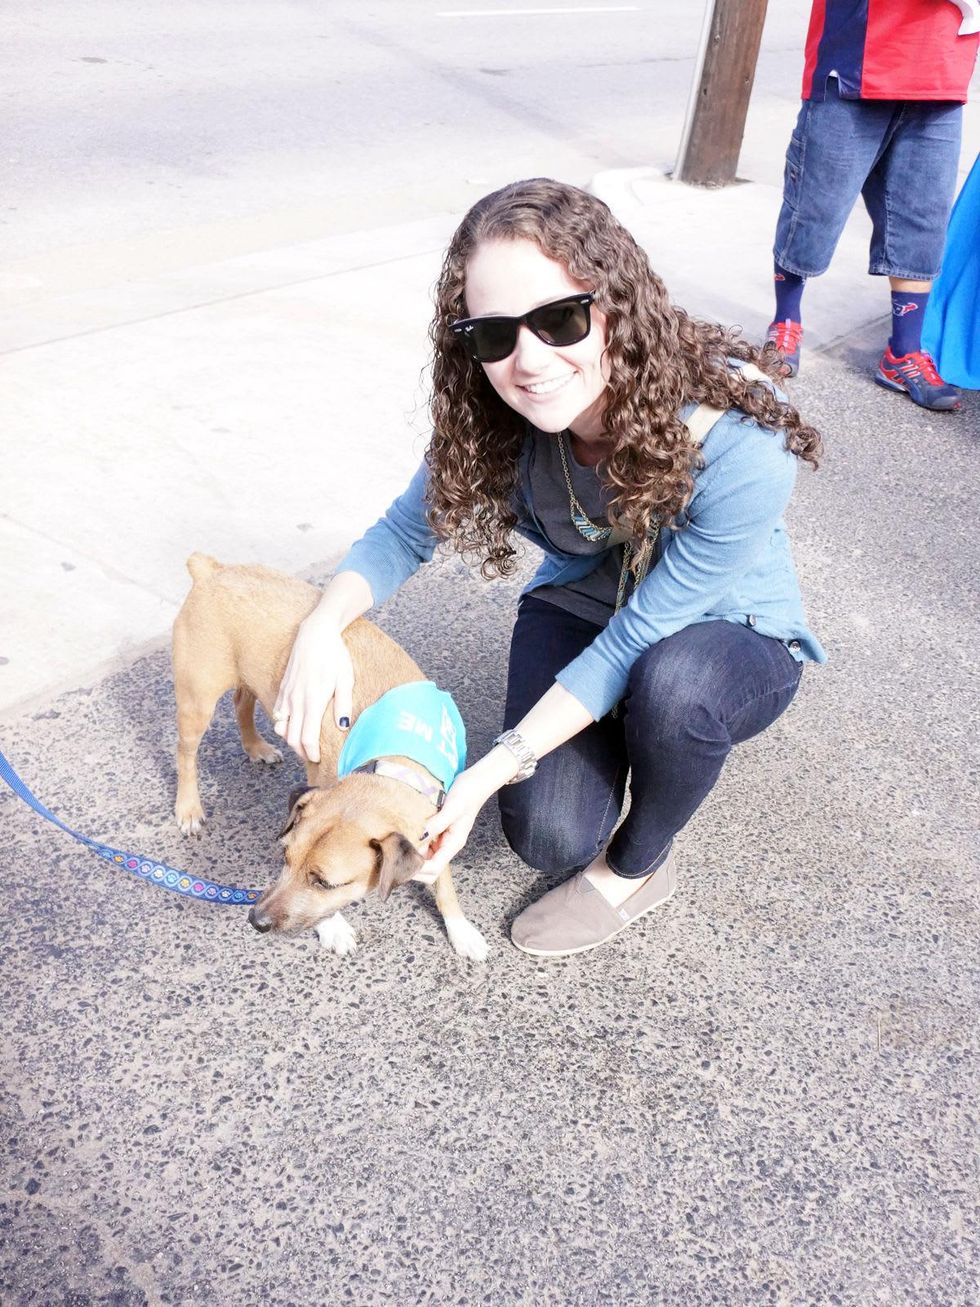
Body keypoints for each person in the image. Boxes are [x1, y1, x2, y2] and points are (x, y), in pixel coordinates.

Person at [274, 178, 826, 960]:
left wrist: (484, 771)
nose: (527, 361)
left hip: (720, 630)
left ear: (616, 309)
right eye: (494, 335)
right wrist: (320, 625)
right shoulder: (498, 417)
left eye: (560, 319)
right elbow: (403, 532)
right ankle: (634, 740)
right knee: (549, 832)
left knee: (674, 687)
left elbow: (642, 635)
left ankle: (639, 863)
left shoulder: (739, 437)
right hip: (581, 606)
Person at [766, 0, 979, 411]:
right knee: (814, 208)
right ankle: (785, 321)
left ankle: (902, 352)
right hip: (855, 64)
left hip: (941, 72)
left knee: (922, 219)